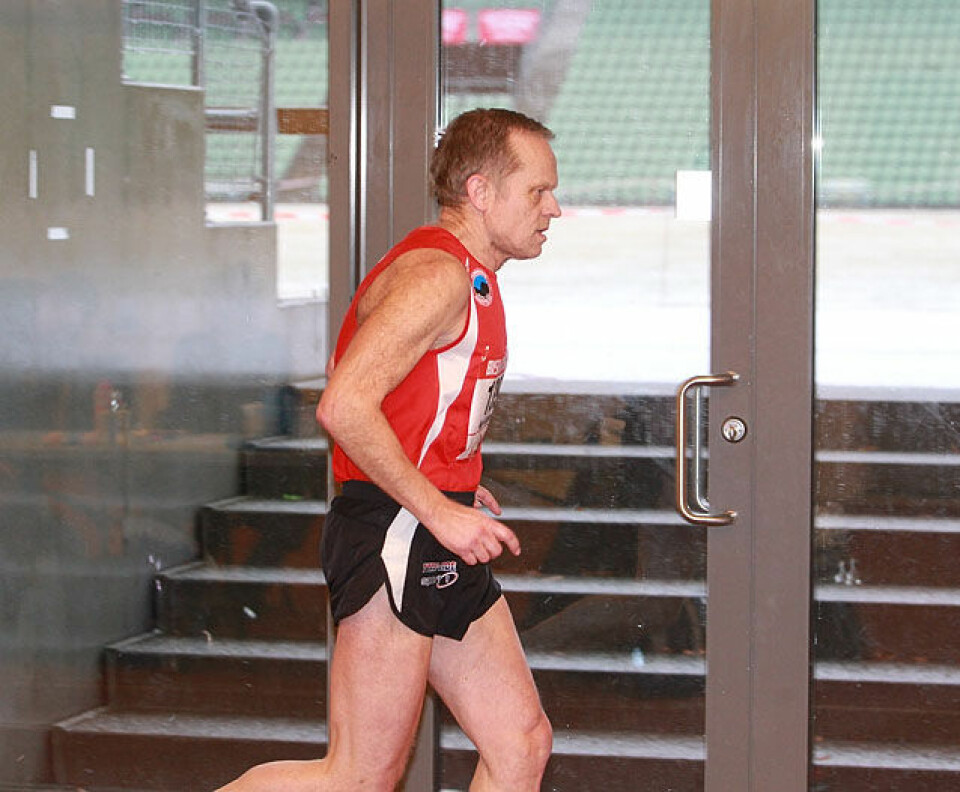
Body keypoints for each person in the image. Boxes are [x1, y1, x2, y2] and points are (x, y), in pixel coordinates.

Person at [217, 107, 561, 792]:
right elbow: (343, 406)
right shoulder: (437, 275)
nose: (554, 208)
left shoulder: (470, 276)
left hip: (433, 527)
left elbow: (418, 407)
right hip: (397, 535)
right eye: (538, 191)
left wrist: (455, 481)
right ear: (481, 191)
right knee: (358, 777)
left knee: (521, 744)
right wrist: (438, 505)